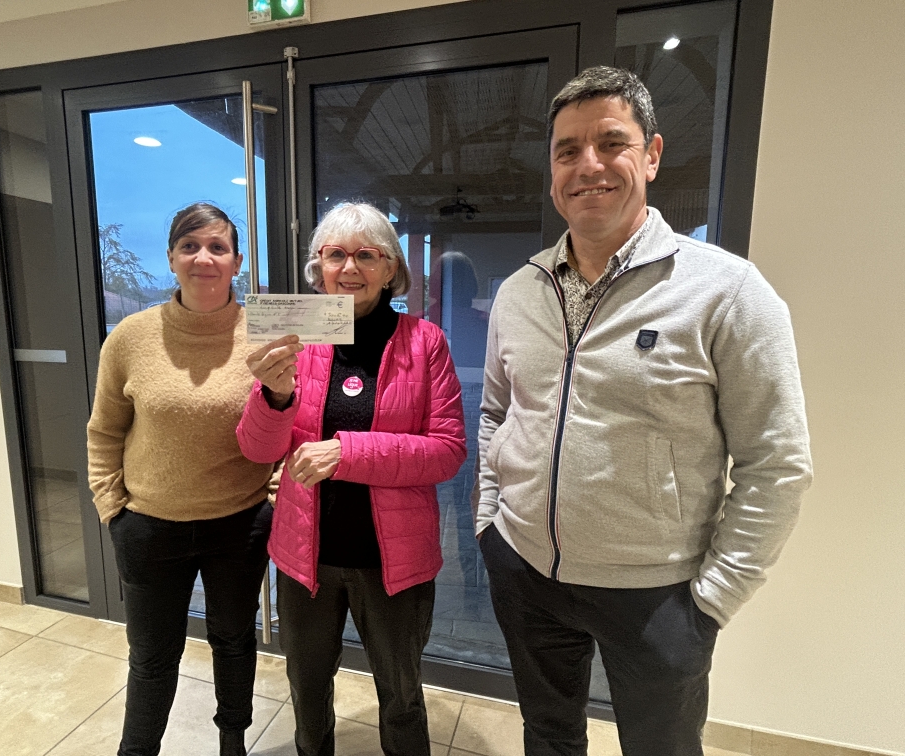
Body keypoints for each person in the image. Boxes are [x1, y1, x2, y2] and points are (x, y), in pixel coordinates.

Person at [475, 66, 813, 755]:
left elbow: (776, 464)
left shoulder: (726, 292)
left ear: (652, 155)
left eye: (611, 143)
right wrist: (490, 524)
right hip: (525, 571)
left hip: (658, 594)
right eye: (568, 150)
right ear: (552, 172)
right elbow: (496, 414)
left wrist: (712, 599)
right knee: (548, 736)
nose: (588, 165)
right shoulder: (518, 291)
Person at [236, 202, 466, 756]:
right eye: (336, 254)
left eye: (367, 254)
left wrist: (347, 453)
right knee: (307, 689)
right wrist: (275, 397)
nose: (350, 267)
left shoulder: (425, 342)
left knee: (402, 696)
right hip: (305, 557)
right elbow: (257, 449)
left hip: (393, 563)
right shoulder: (297, 339)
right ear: (318, 266)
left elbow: (447, 451)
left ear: (391, 269)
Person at [87, 202, 275, 756]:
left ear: (236, 261)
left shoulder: (268, 333)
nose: (204, 258)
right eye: (190, 246)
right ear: (171, 258)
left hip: (238, 525)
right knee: (151, 656)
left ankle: (233, 742)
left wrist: (271, 498)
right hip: (148, 526)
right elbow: (104, 430)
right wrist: (113, 508)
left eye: (218, 247)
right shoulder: (131, 337)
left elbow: (291, 420)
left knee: (234, 641)